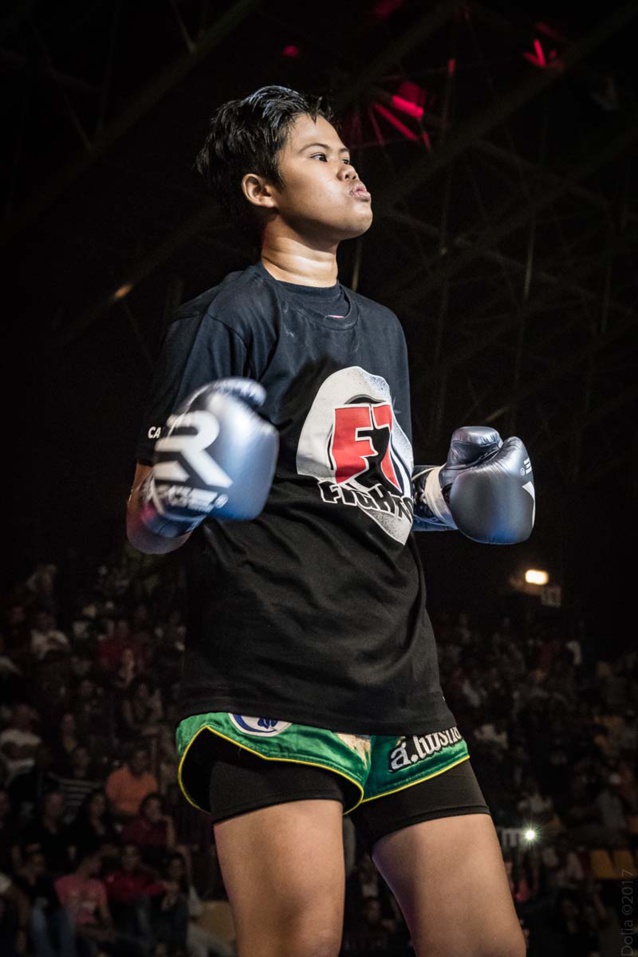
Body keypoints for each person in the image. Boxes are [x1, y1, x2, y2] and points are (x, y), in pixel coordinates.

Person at [126, 85, 535, 956]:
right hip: (273, 682)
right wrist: (177, 494)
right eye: (318, 155)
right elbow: (144, 515)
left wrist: (445, 495)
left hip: (403, 684)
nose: (349, 166)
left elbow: (361, 485)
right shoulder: (226, 316)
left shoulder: (382, 327)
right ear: (260, 190)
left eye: (346, 153)